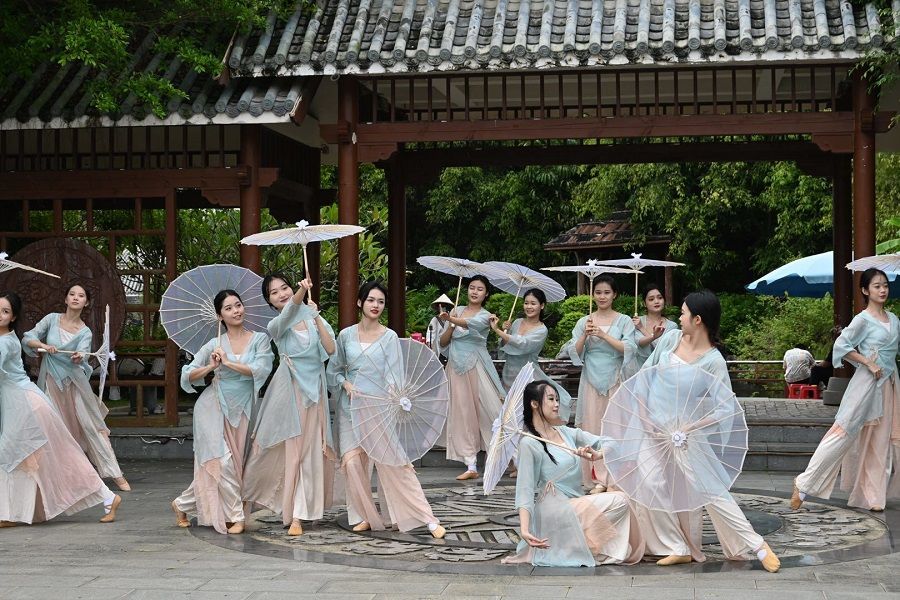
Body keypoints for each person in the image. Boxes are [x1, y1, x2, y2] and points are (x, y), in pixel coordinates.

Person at [633, 290, 780, 572]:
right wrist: (644, 418)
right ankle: (676, 546)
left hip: (686, 436)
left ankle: (758, 545)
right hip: (652, 430)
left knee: (712, 493)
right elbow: (643, 378)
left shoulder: (713, 361)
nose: (679, 317)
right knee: (649, 484)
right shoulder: (670, 339)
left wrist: (691, 427)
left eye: (683, 313)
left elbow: (725, 409)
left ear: (698, 319)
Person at [326, 281, 445, 538]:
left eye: (380, 301)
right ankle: (364, 516)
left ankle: (426, 518)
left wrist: (393, 392)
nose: (375, 305)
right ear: (360, 302)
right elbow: (333, 370)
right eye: (371, 300)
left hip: (379, 407)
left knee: (394, 463)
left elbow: (394, 374)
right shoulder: (345, 335)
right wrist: (345, 383)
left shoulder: (390, 336)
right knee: (352, 462)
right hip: (349, 407)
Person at [0, 291, 122, 526]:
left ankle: (106, 496)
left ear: (13, 317)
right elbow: (29, 340)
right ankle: (16, 512)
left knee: (22, 454)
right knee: (27, 457)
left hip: (26, 405)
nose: (0, 315)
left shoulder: (5, 342)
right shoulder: (12, 337)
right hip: (25, 402)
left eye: (5, 311)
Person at [501, 380, 644, 566]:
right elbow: (525, 489)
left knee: (622, 500)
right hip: (553, 508)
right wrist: (525, 529)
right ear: (534, 404)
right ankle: (576, 547)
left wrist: (597, 455)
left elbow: (610, 442)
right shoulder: (529, 443)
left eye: (557, 399)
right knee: (620, 500)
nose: (556, 404)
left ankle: (578, 546)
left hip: (575, 502)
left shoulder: (566, 433)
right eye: (551, 399)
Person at [792, 268, 900, 512]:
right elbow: (842, 345)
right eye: (877, 286)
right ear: (865, 290)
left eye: (885, 285)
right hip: (866, 385)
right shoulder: (863, 319)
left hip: (889, 385)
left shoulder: (894, 320)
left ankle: (873, 497)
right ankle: (804, 482)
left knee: (879, 441)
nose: (883, 290)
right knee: (842, 433)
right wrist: (867, 362)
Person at [171, 289, 273, 534]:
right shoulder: (213, 344)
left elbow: (261, 369)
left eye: (238, 305)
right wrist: (210, 366)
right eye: (228, 308)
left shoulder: (260, 339)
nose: (236, 311)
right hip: (212, 407)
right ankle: (237, 516)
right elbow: (187, 375)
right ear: (220, 316)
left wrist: (228, 363)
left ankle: (182, 504)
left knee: (232, 465)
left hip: (243, 407)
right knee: (222, 462)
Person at [243, 275, 337, 536]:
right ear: (270, 302)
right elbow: (290, 312)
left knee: (311, 449)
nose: (281, 294)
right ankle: (292, 513)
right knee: (293, 450)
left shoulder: (311, 317)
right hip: (290, 391)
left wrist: (316, 317)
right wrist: (300, 292)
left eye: (284, 287)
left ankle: (302, 511)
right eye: (274, 293)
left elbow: (330, 349)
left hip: (315, 390)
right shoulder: (276, 324)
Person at [23, 284, 129, 491]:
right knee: (51, 427)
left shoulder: (85, 331)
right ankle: (56, 478)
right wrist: (43, 346)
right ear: (65, 299)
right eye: (72, 294)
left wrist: (79, 357)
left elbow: (82, 354)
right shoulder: (51, 319)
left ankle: (116, 474)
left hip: (75, 383)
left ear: (86, 303)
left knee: (91, 426)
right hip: (50, 380)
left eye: (80, 296)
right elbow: (29, 337)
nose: (75, 298)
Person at [568, 275, 636, 492]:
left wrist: (603, 335)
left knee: (615, 427)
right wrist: (584, 336)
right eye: (598, 292)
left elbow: (629, 348)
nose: (602, 297)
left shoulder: (624, 320)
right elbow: (574, 353)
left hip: (615, 378)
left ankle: (613, 477)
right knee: (591, 427)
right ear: (592, 295)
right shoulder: (584, 321)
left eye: (607, 292)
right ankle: (595, 478)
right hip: (590, 379)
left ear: (614, 294)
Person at [438, 275, 505, 480]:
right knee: (462, 413)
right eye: (472, 287)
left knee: (491, 409)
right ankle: (471, 464)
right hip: (456, 367)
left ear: (486, 294)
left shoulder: (486, 316)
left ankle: (513, 456)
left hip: (477, 366)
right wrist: (450, 324)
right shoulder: (456, 311)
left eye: (480, 289)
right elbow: (443, 343)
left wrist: (451, 319)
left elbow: (468, 324)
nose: (474, 292)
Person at [490, 288, 573, 424]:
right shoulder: (517, 322)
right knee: (509, 414)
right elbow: (504, 346)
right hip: (509, 373)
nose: (529, 307)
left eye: (533, 303)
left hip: (528, 373)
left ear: (542, 305)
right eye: (526, 303)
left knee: (527, 412)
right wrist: (505, 331)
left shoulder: (542, 330)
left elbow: (523, 344)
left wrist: (498, 331)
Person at [623, 283, 678, 379]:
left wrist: (642, 329)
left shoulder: (672, 326)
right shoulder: (637, 322)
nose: (656, 301)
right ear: (644, 303)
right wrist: (650, 333)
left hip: (662, 373)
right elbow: (639, 343)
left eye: (660, 298)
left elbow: (664, 350)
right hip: (639, 371)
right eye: (651, 299)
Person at [425, 293, 453, 359]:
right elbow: (430, 334)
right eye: (440, 305)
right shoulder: (435, 320)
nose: (442, 307)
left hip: (450, 347)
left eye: (443, 305)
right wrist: (430, 345)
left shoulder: (452, 318)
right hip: (439, 348)